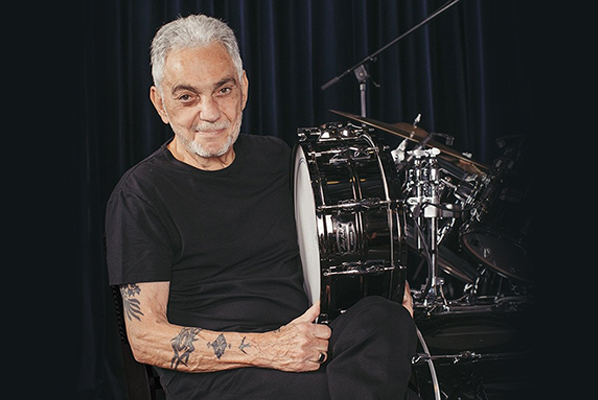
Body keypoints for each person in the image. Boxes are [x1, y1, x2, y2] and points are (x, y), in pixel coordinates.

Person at [105, 14, 417, 400]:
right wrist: (271, 348)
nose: (210, 113)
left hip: (308, 339)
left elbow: (323, 259)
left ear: (244, 88)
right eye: (187, 97)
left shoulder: (274, 156)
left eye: (223, 90)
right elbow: (145, 338)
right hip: (224, 373)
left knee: (385, 318)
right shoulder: (140, 195)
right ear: (160, 104)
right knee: (369, 381)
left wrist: (382, 288)